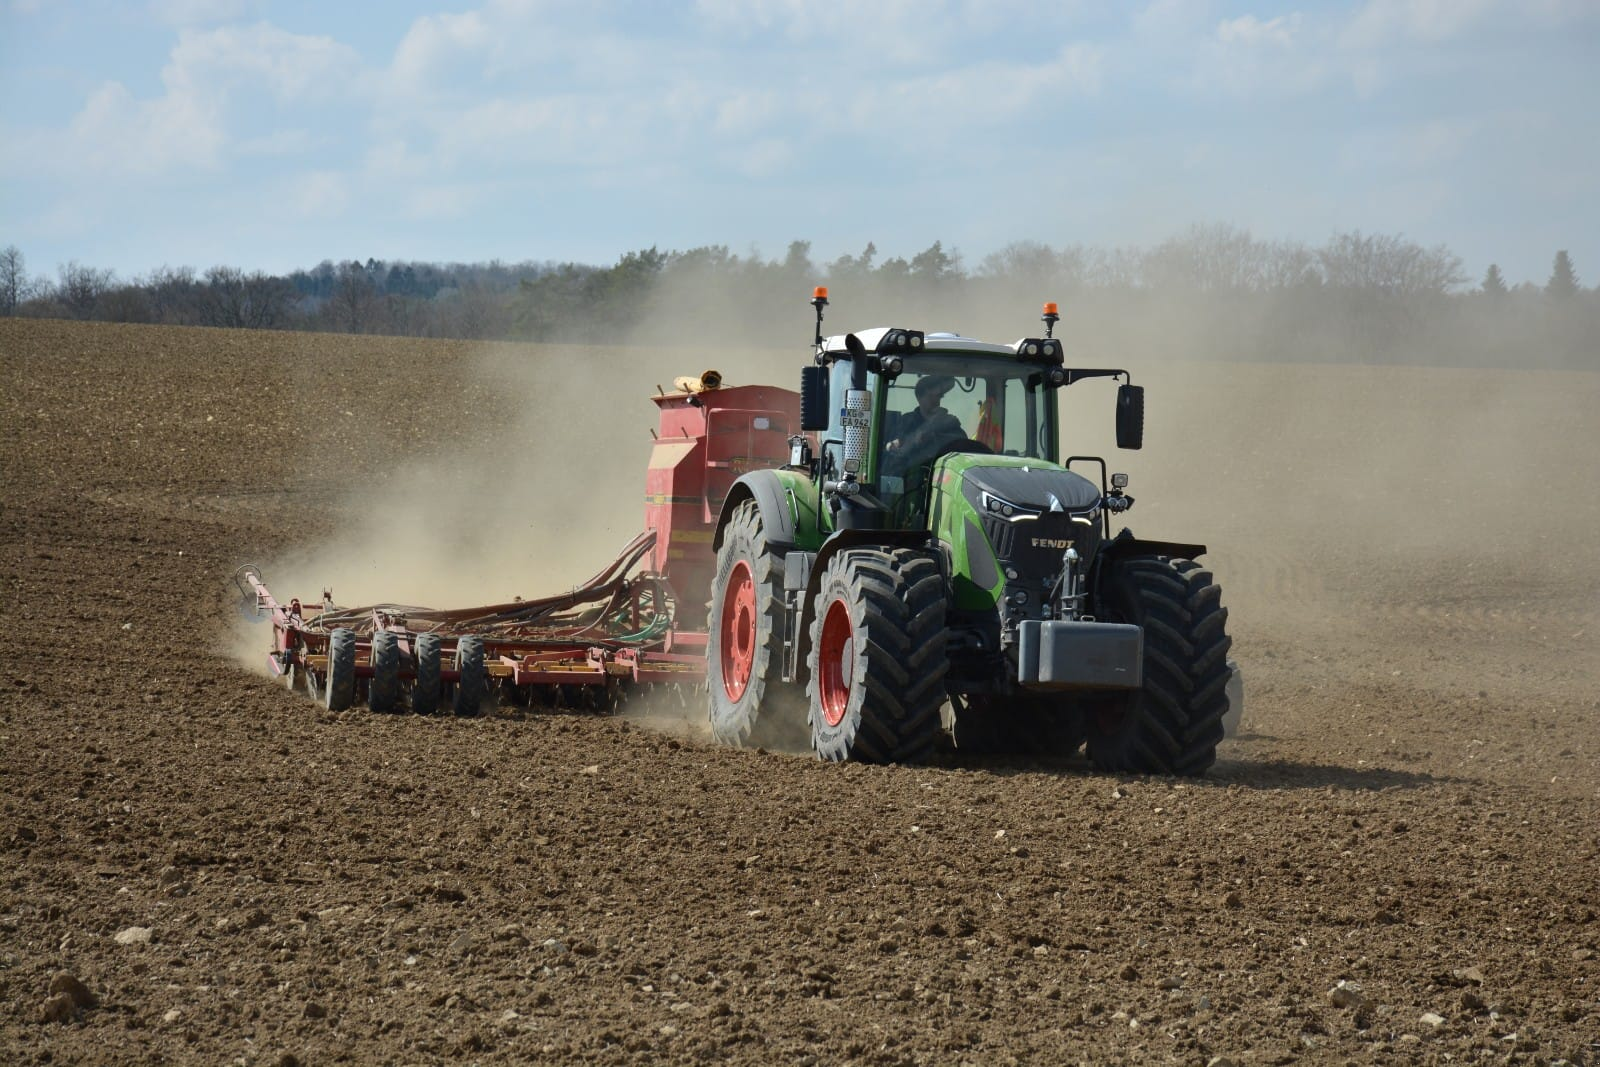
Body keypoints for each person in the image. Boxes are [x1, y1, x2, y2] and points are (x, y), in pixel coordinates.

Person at [884, 374, 963, 473]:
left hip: (943, 474)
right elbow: (890, 448)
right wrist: (894, 446)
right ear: (919, 397)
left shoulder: (950, 423)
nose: (936, 401)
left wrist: (936, 437)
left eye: (938, 396)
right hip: (909, 476)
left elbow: (962, 445)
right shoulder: (905, 422)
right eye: (930, 396)